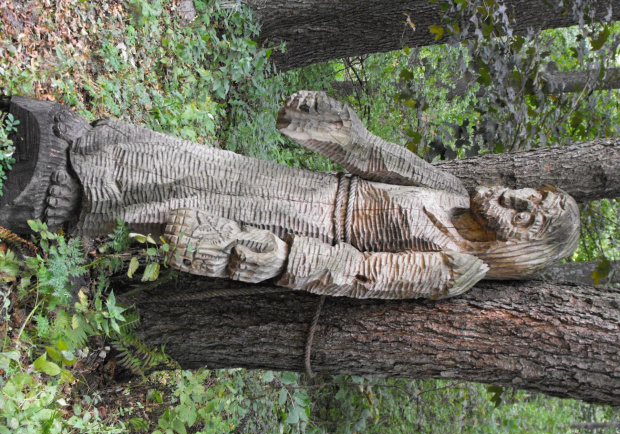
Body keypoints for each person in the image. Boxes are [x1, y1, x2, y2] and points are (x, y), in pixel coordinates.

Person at [0, 92, 580, 299]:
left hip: (302, 229)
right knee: (197, 164)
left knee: (186, 205)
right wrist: (337, 128)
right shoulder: (452, 191)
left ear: (524, 246)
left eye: (529, 213)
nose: (517, 197)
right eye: (528, 192)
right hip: (307, 187)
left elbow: (360, 273)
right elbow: (380, 157)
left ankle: (70, 201)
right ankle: (85, 148)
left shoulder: (457, 267)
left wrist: (276, 258)